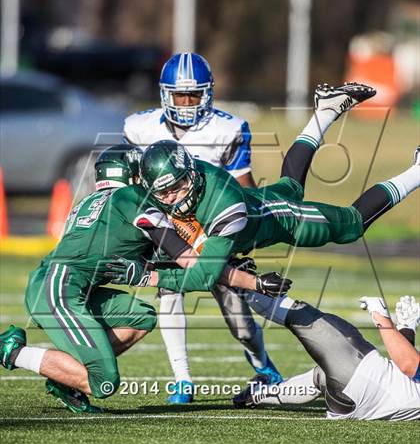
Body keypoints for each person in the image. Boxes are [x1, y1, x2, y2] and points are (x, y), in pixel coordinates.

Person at [0, 145, 289, 412]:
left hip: (71, 286)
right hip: (59, 289)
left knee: (140, 317)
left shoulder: (92, 202)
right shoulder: (133, 200)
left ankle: (66, 378)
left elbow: (156, 256)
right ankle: (13, 352)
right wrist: (253, 281)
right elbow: (190, 263)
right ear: (135, 175)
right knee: (103, 382)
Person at [111, 82, 419, 295]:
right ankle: (325, 111)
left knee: (351, 225)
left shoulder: (222, 204)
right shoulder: (171, 183)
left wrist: (147, 276)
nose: (171, 198)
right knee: (290, 185)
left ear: (190, 175)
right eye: (163, 192)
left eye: (177, 187)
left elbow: (205, 276)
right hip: (250, 211)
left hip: (278, 219)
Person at [123, 52, 281, 403]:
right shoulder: (138, 127)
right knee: (169, 291)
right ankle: (182, 380)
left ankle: (264, 366)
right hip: (167, 225)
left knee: (237, 317)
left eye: (194, 95)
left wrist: (243, 233)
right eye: (180, 95)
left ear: (207, 93)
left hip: (212, 227)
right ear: (164, 94)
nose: (187, 102)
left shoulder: (228, 129)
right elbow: (133, 181)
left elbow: (246, 188)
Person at [231, 291, 420, 420]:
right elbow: (410, 380)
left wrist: (381, 317)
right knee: (323, 376)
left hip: (367, 384)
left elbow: (408, 364)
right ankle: (258, 394)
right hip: (353, 408)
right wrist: (407, 329)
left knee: (309, 319)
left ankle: (239, 281)